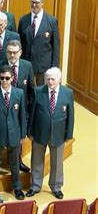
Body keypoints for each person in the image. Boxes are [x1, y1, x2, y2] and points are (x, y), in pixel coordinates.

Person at [27, 67, 74, 199]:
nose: (50, 81)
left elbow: (71, 116)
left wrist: (68, 134)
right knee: (36, 160)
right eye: (47, 78)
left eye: (53, 79)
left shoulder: (68, 93)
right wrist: (30, 132)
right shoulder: (38, 91)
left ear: (59, 79)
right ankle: (35, 186)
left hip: (58, 134)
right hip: (39, 133)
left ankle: (56, 186)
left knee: (57, 162)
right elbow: (32, 114)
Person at [0, 66, 27, 200]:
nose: (4, 81)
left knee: (14, 164)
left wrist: (23, 134)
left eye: (7, 78)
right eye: (2, 78)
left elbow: (22, 115)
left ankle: (17, 188)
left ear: (12, 78)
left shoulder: (19, 93)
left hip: (14, 134)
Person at [0, 39, 35, 173]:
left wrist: (27, 109)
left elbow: (31, 90)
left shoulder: (27, 66)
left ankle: (18, 161)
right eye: (9, 52)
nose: (12, 55)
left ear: (20, 52)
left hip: (21, 111)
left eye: (14, 52)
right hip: (3, 108)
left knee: (19, 136)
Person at [18, 0, 60, 85]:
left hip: (44, 67)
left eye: (36, 2)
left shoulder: (51, 21)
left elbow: (56, 47)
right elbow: (19, 43)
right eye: (32, 2)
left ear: (42, 3)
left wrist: (55, 68)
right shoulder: (23, 20)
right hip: (27, 64)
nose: (34, 5)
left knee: (41, 94)